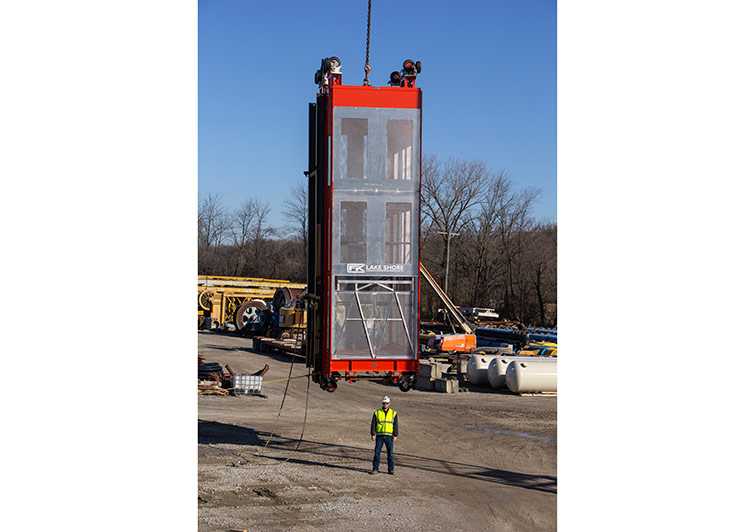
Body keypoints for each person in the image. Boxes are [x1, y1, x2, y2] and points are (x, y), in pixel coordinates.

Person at [370, 395, 398, 474]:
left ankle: (390, 469)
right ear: (382, 403)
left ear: (389, 404)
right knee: (377, 453)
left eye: (386, 403)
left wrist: (395, 435)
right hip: (380, 436)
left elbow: (395, 425)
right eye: (384, 403)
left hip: (389, 436)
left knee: (390, 454)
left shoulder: (393, 413)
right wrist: (373, 434)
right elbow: (373, 424)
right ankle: (375, 468)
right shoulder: (377, 412)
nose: (385, 405)